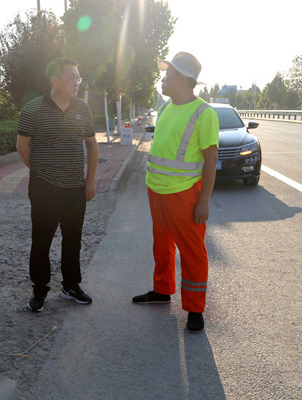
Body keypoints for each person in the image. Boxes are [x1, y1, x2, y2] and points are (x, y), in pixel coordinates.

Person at [132, 52, 219, 333]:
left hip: (184, 194)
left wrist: (204, 200)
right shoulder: (166, 108)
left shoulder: (204, 113)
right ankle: (162, 290)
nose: (163, 79)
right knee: (161, 243)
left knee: (192, 251)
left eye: (168, 74)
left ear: (183, 79)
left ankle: (194, 308)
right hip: (156, 190)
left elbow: (210, 160)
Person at [17, 57, 99, 312]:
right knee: (41, 240)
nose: (76, 82)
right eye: (71, 77)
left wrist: (90, 181)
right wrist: (40, 170)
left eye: (78, 77)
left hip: (75, 187)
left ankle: (71, 286)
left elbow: (92, 146)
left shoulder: (82, 108)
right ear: (55, 80)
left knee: (73, 239)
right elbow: (22, 145)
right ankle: (39, 290)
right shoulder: (33, 109)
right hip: (44, 188)